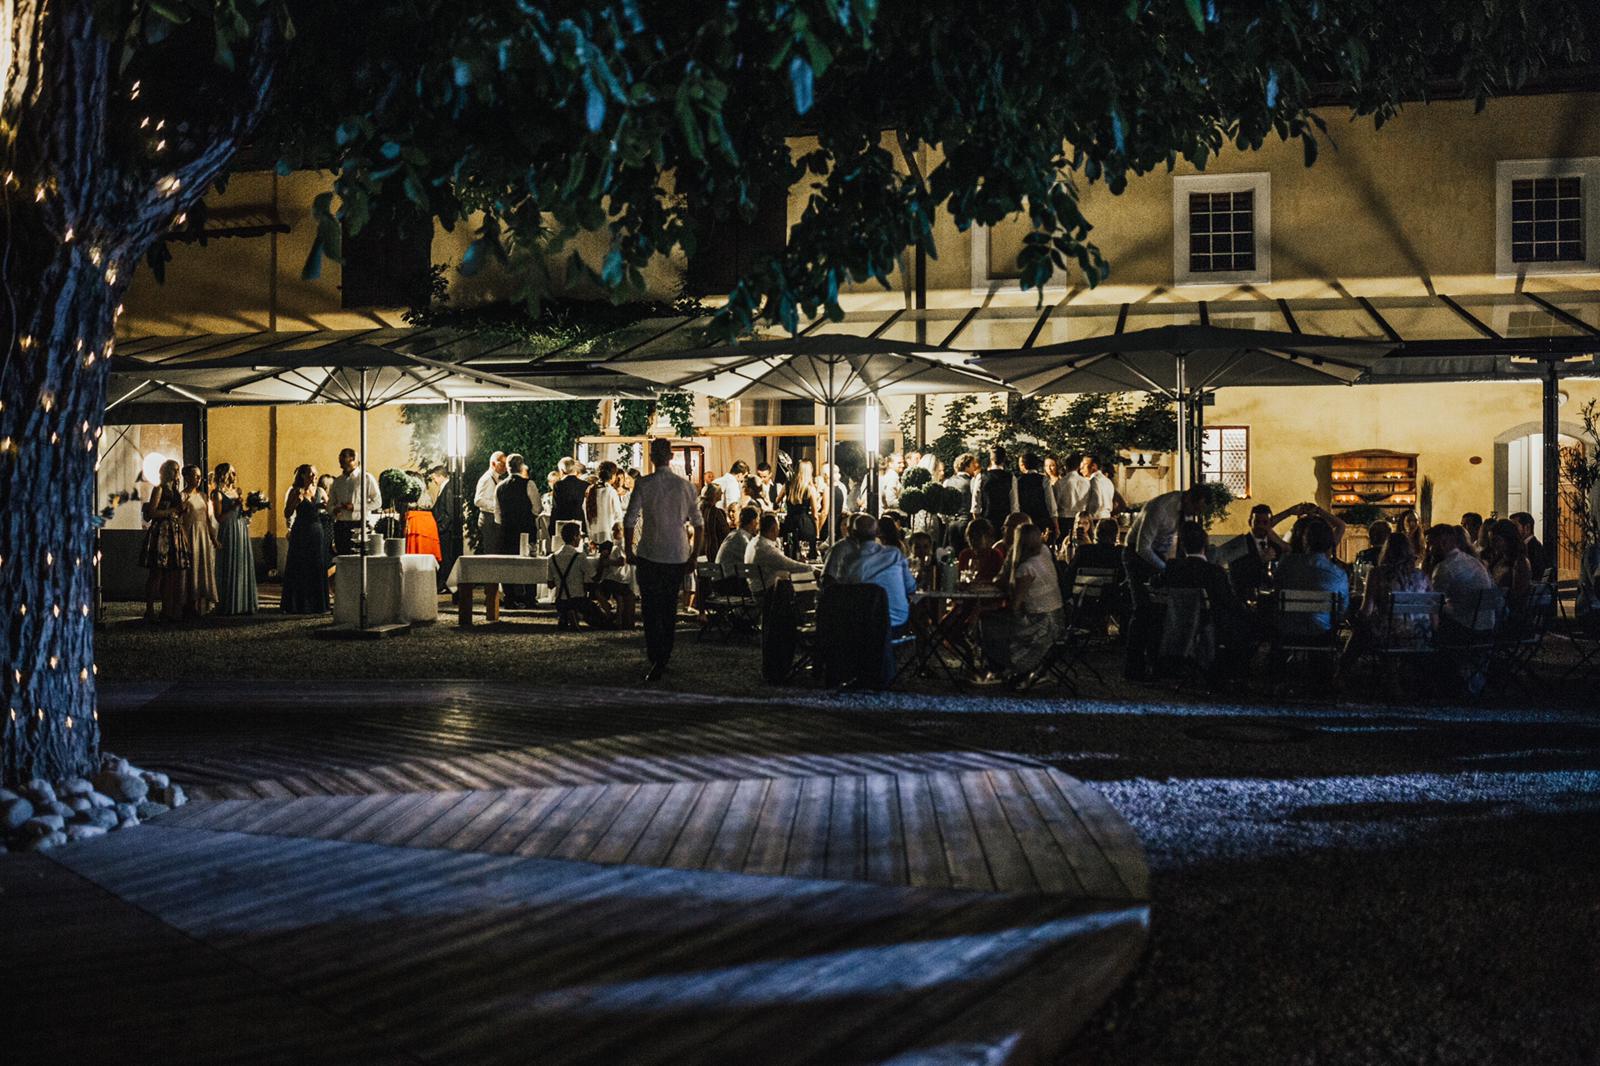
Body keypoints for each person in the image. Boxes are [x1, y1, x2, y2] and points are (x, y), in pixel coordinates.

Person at [625, 437, 704, 682]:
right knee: (669, 606)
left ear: (652, 457)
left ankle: (655, 654)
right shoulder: (685, 486)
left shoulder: (644, 484)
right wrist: (694, 553)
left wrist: (629, 549)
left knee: (650, 607)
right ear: (670, 457)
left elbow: (629, 520)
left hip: (650, 552)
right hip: (676, 553)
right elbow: (699, 524)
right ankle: (664, 654)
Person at [1122, 483, 1210, 679]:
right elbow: (1142, 548)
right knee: (1143, 609)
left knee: (1161, 610)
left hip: (1159, 555)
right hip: (1137, 556)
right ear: (1188, 499)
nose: (1195, 514)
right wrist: (1167, 570)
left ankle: (1157, 661)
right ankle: (1133, 666)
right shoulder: (1160, 508)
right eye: (1196, 508)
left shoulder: (1184, 511)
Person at [1157, 520, 1253, 663]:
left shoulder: (1172, 568)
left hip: (1175, 623)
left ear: (1182, 545)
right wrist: (1247, 609)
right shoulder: (1214, 572)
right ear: (1206, 546)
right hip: (1211, 624)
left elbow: (1155, 584)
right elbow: (1229, 601)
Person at [822, 512, 916, 634]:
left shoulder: (849, 561)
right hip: (897, 623)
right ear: (876, 532)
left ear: (853, 533)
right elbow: (911, 587)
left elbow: (842, 590)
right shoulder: (894, 554)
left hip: (862, 626)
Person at [1351, 531, 1434, 653]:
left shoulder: (1377, 574)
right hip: (1420, 636)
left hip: (1388, 635)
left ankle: (1343, 666)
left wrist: (1353, 618)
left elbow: (1366, 610)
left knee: (1360, 630)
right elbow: (1432, 611)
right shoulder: (1422, 576)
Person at [1003, 525, 1066, 684]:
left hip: (1043, 625)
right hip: (1059, 618)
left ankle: (1007, 668)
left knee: (995, 625)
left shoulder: (1026, 569)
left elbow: (1016, 604)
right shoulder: (1044, 553)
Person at [1275, 516, 1351, 638]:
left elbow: (1277, 592)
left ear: (1305, 541)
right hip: (1323, 633)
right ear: (1329, 544)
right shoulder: (1338, 574)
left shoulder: (1286, 565)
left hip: (1288, 631)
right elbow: (1342, 612)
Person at [139, 459, 190, 622]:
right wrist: (172, 511)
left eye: (178, 470)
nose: (177, 473)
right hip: (161, 532)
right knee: (157, 573)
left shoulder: (175, 490)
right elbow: (153, 512)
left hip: (173, 531)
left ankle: (167, 609)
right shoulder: (159, 489)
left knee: (170, 573)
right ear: (167, 471)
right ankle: (150, 609)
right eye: (174, 470)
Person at [280, 464, 329, 614]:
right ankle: (298, 604)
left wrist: (327, 507)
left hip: (317, 530)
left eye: (315, 474)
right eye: (311, 474)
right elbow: (287, 513)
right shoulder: (296, 491)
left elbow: (330, 507)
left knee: (317, 565)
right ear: (303, 476)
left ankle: (318, 604)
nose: (314, 477)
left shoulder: (320, 491)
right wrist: (296, 501)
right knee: (301, 565)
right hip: (301, 531)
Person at [211, 463, 259, 616]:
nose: (234, 475)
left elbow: (242, 514)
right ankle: (228, 603)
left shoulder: (237, 492)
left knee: (241, 563)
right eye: (231, 473)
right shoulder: (217, 494)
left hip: (240, 529)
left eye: (235, 472)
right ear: (224, 475)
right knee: (229, 563)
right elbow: (219, 517)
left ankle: (243, 603)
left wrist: (251, 511)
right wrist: (232, 507)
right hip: (228, 530)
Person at [495, 454, 542, 608]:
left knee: (508, 563)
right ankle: (529, 596)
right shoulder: (529, 484)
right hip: (526, 528)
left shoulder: (500, 487)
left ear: (508, 468)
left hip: (507, 530)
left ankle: (510, 597)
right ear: (522, 467)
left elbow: (497, 515)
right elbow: (537, 509)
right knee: (530, 562)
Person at [179, 464, 219, 618]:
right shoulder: (183, 496)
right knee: (191, 567)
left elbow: (208, 519)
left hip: (202, 534)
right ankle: (188, 602)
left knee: (202, 566)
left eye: (199, 476)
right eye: (195, 475)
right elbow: (181, 519)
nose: (198, 479)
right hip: (190, 533)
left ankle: (201, 602)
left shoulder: (203, 496)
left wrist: (213, 537)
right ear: (187, 477)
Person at [548, 521, 603, 629]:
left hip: (560, 602)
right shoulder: (579, 556)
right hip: (578, 601)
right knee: (602, 622)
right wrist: (602, 563)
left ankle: (566, 615)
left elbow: (550, 584)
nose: (580, 539)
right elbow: (595, 578)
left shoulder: (552, 558)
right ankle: (577, 614)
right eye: (579, 536)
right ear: (575, 537)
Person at [327, 448, 380, 557]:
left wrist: (355, 507)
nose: (340, 464)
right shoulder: (338, 481)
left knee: (360, 559)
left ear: (353, 459)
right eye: (340, 460)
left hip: (359, 525)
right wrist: (333, 510)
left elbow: (378, 502)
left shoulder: (366, 478)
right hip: (341, 526)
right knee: (342, 559)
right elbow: (330, 504)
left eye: (343, 460)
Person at [745, 512, 813, 592]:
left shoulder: (754, 542)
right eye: (778, 527)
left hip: (758, 589)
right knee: (809, 580)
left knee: (801, 580)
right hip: (767, 593)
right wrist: (816, 571)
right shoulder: (766, 549)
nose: (779, 529)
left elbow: (783, 564)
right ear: (773, 528)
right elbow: (792, 566)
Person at [428, 464, 463, 592]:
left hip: (446, 530)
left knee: (446, 557)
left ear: (441, 476)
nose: (434, 481)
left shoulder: (447, 489)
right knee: (445, 556)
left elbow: (448, 511)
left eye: (434, 478)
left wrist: (441, 527)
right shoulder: (446, 488)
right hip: (445, 529)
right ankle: (446, 584)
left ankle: (446, 584)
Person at [1482, 517, 1532, 607]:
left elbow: (1518, 595)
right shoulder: (1499, 559)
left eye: (1495, 540)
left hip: (1508, 613)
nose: (1492, 545)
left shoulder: (1520, 562)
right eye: (1491, 541)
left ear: (1508, 539)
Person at [1015, 452, 1060, 542]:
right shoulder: (1044, 479)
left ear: (1023, 465)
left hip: (1025, 521)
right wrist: (1055, 524)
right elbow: (1051, 503)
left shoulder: (1017, 481)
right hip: (1042, 520)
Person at [781, 460, 821, 560]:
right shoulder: (810, 488)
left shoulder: (787, 485)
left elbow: (777, 501)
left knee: (790, 553)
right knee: (806, 555)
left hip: (789, 522)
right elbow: (815, 515)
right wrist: (817, 532)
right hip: (804, 523)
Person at [973, 446, 1018, 529]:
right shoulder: (1011, 477)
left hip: (986, 520)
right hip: (1005, 521)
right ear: (1004, 459)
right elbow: (1014, 505)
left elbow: (976, 505)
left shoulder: (981, 477)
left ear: (990, 459)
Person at [549, 457, 588, 551]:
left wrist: (551, 527)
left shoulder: (558, 485)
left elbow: (556, 507)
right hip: (579, 519)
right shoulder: (584, 485)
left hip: (562, 523)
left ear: (562, 470)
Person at [473, 451, 508, 554]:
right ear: (493, 464)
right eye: (502, 464)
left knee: (496, 550)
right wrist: (497, 506)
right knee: (492, 551)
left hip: (493, 518)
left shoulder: (498, 478)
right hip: (488, 518)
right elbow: (478, 500)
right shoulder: (487, 479)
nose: (505, 467)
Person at [584, 460, 624, 548]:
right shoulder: (610, 491)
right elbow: (618, 515)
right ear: (613, 476)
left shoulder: (590, 490)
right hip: (608, 536)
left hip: (592, 536)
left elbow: (585, 512)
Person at [958, 518, 1006, 585]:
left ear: (988, 537)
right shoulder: (965, 554)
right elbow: (960, 577)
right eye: (970, 536)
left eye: (977, 536)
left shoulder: (995, 556)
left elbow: (1000, 580)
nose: (973, 540)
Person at [717, 506, 760, 580]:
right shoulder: (741, 538)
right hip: (728, 581)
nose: (758, 525)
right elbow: (754, 560)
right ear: (753, 521)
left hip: (722, 579)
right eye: (757, 521)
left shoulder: (735, 534)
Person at [1053, 452, 1092, 529]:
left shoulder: (1060, 483)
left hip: (1064, 519)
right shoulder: (1086, 482)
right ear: (1078, 466)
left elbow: (1055, 504)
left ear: (1065, 466)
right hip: (1081, 518)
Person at [1510, 511, 1548, 578]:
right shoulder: (1531, 545)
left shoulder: (1533, 548)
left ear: (1527, 528)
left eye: (1515, 527)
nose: (1511, 531)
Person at [699, 483, 731, 559]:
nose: (722, 493)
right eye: (720, 491)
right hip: (715, 550)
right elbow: (725, 532)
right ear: (715, 495)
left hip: (700, 549)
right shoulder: (716, 512)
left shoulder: (699, 509)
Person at [1084, 455, 1117, 520]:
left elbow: (1097, 501)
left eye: (1085, 464)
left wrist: (1088, 514)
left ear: (1094, 466)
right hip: (1107, 516)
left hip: (1096, 518)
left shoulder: (1094, 480)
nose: (1082, 467)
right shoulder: (1108, 481)